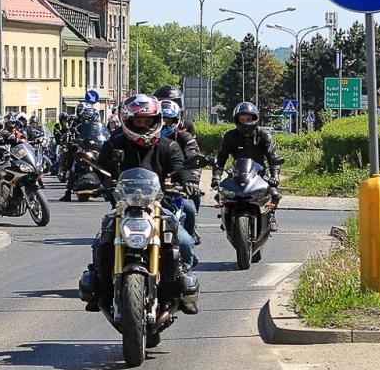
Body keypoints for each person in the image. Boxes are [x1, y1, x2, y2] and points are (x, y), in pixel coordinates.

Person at [80, 94, 197, 313]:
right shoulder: (115, 143)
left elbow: (180, 167)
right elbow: (101, 167)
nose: (142, 125)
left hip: (158, 207)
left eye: (147, 120)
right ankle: (100, 291)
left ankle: (183, 290)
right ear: (128, 121)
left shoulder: (168, 146)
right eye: (137, 121)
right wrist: (91, 179)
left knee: (184, 242)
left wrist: (188, 179)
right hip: (123, 208)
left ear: (156, 120)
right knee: (101, 243)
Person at [216, 101, 283, 211]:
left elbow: (273, 156)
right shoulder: (230, 136)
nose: (245, 123)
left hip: (259, 174)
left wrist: (275, 176)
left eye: (248, 119)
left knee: (275, 193)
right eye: (242, 120)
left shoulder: (264, 135)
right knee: (221, 194)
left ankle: (271, 217)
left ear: (254, 119)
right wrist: (216, 177)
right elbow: (221, 158)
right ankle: (226, 216)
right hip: (237, 174)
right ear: (237, 120)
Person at [159, 99, 203, 240]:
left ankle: (191, 230)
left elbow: (194, 156)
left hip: (177, 185)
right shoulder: (145, 138)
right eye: (161, 120)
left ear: (177, 121)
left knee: (190, 208)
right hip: (151, 187)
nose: (165, 125)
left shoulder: (184, 137)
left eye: (169, 121)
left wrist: (191, 180)